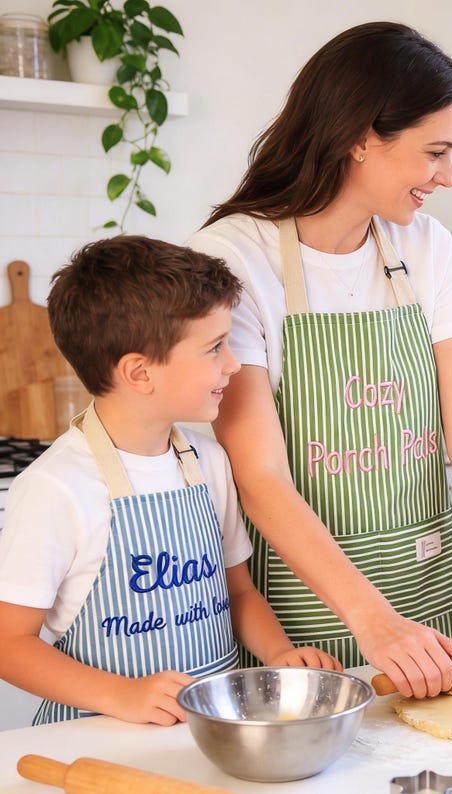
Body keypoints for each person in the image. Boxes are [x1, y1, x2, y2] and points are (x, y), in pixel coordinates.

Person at [188, 21, 452, 700]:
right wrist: (372, 619)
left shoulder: (425, 247)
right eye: (435, 152)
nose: (447, 177)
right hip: (306, 610)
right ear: (362, 136)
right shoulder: (235, 257)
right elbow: (261, 474)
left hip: (427, 591)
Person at [0, 236, 340, 726]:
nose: (233, 364)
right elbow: (10, 644)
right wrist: (122, 696)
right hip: (100, 735)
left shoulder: (208, 463)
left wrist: (279, 654)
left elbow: (238, 593)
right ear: (139, 372)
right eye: (214, 347)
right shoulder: (57, 488)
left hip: (213, 727)